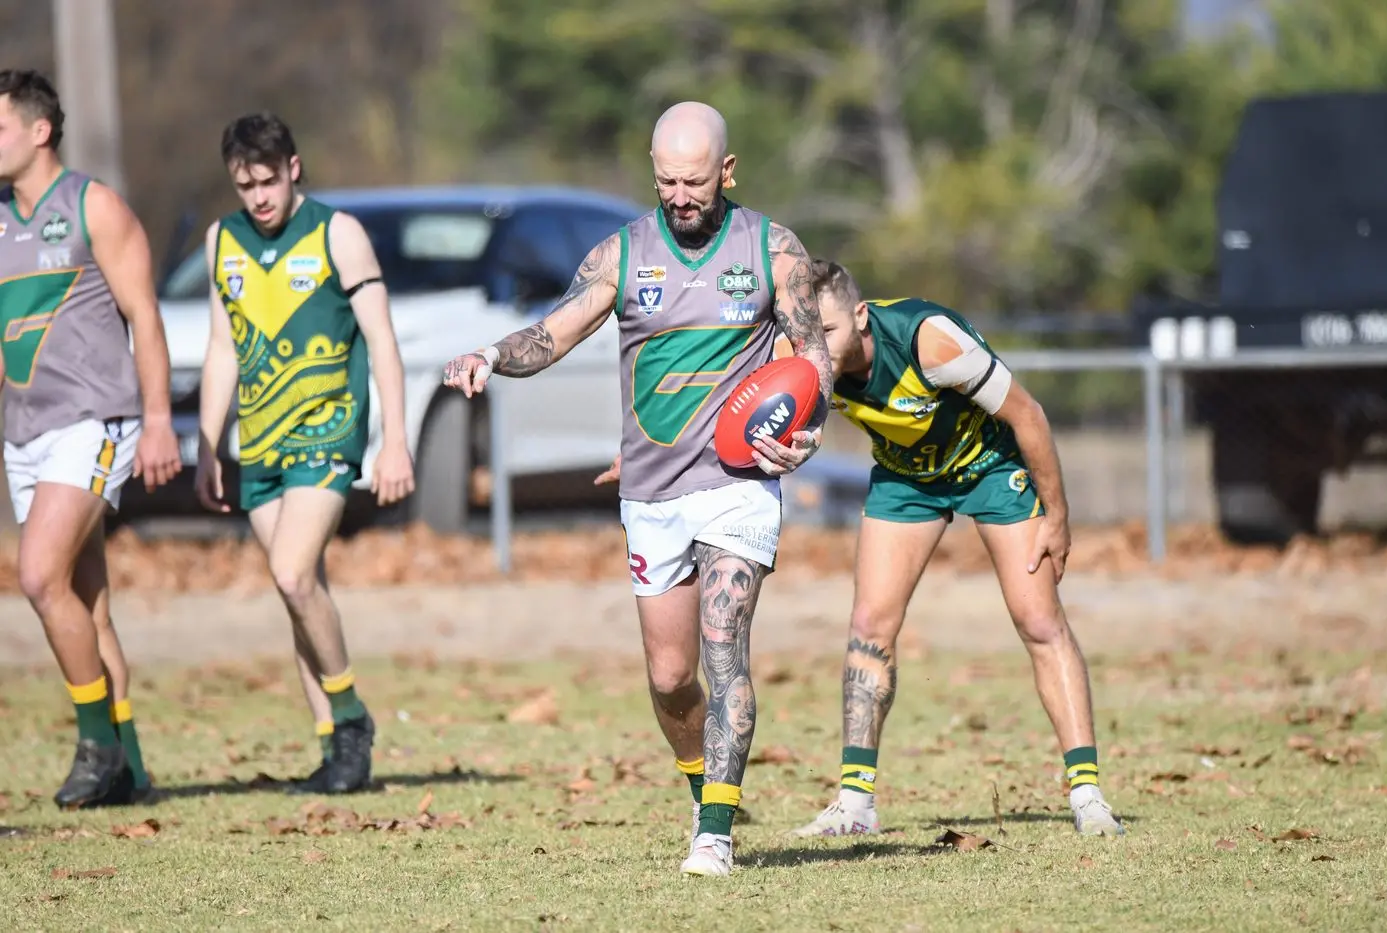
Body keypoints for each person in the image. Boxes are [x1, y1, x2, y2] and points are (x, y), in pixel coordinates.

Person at [444, 101, 833, 877]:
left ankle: (715, 833)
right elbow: (553, 331)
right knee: (669, 674)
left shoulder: (770, 248)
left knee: (725, 645)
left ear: (726, 171)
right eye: (665, 181)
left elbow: (813, 351)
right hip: (652, 492)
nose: (679, 196)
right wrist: (490, 354)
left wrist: (803, 428)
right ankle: (701, 784)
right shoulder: (624, 254)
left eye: (694, 181)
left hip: (737, 482)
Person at [770, 260, 1125, 838]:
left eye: (827, 332)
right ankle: (855, 805)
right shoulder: (799, 355)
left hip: (993, 464)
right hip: (905, 476)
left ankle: (1088, 797)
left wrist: (1057, 516)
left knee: (1038, 620)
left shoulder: (928, 341)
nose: (815, 347)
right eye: (806, 334)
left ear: (861, 317)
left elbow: (1029, 416)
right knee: (869, 623)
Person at [195, 112, 416, 795]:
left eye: (267, 181)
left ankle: (350, 717)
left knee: (291, 576)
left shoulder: (336, 233)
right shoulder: (220, 241)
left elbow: (381, 339)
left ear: (293, 168)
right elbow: (222, 346)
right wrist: (209, 446)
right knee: (302, 594)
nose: (258, 197)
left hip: (327, 431)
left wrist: (395, 441)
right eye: (244, 185)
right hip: (258, 442)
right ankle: (334, 752)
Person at [0, 69, 181, 808]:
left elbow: (145, 315)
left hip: (93, 421)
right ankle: (131, 767)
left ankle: (97, 748)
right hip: (25, 433)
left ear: (39, 130)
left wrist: (160, 417)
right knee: (86, 603)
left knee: (40, 578)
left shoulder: (92, 206)